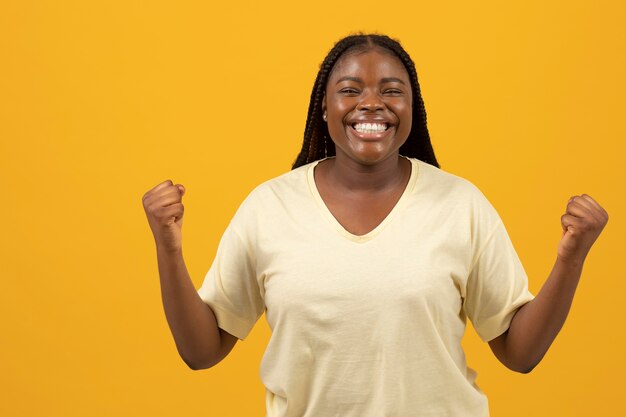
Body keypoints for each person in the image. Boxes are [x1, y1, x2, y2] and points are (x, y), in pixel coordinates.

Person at [142, 33, 608, 416]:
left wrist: (571, 258)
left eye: (391, 90)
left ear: (412, 108)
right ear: (324, 109)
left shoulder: (460, 204)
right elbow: (200, 351)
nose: (371, 104)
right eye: (350, 90)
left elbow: (519, 353)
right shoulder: (270, 208)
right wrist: (168, 247)